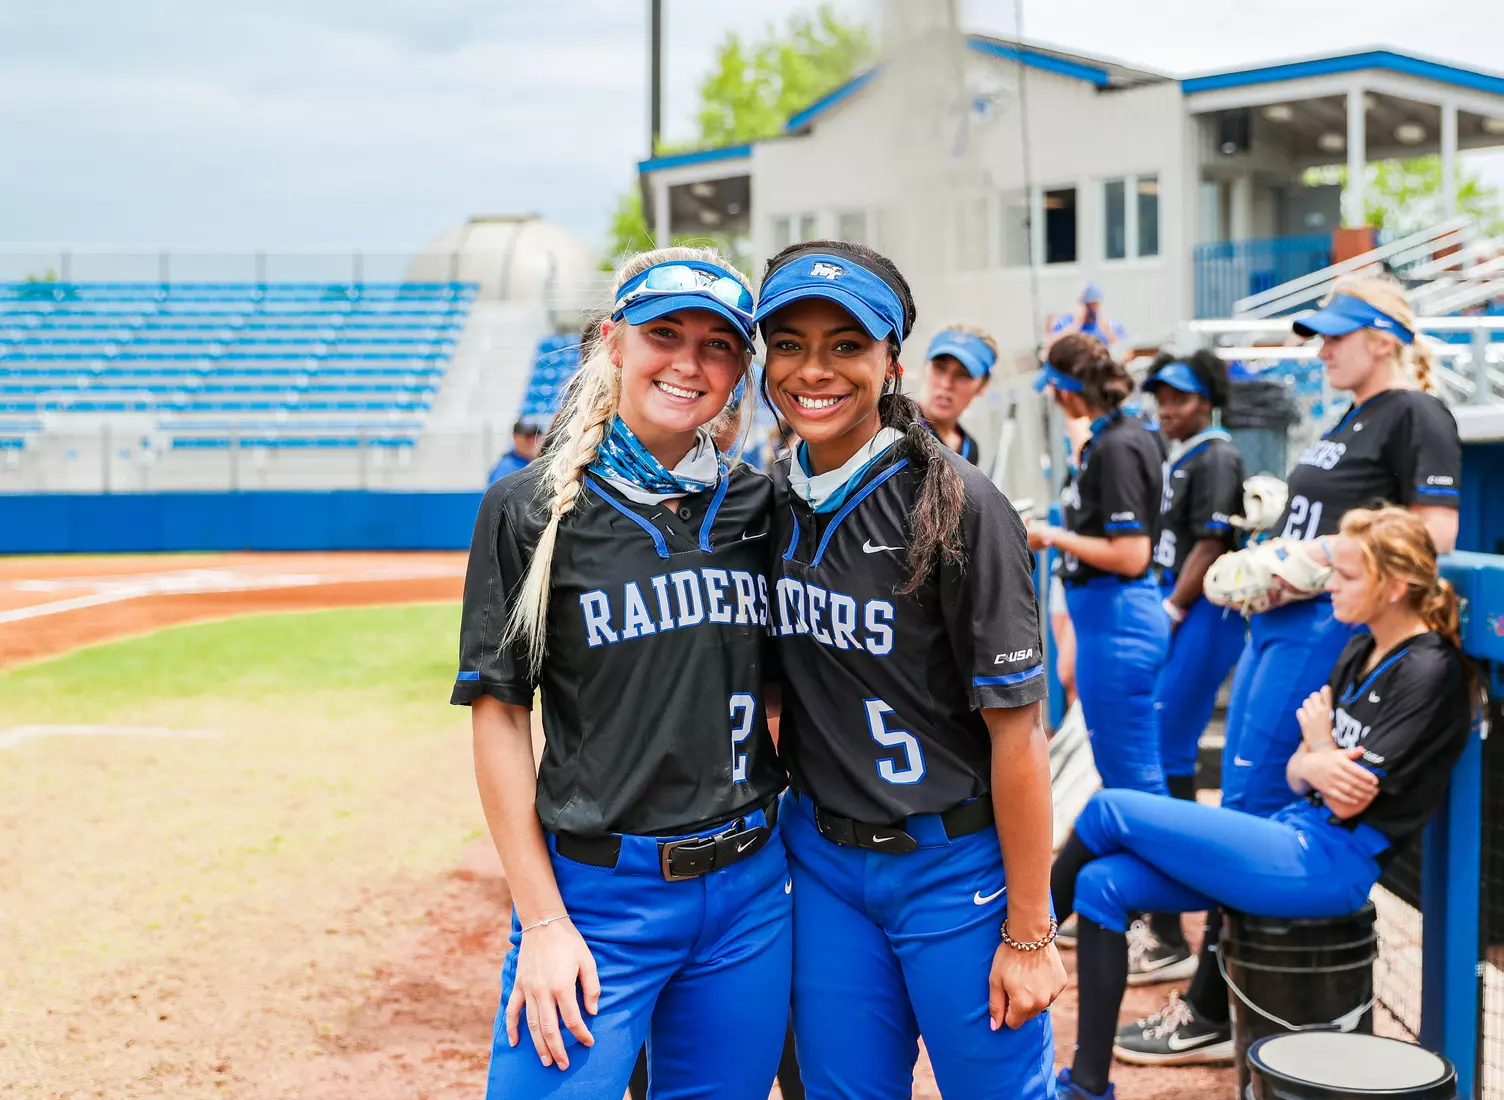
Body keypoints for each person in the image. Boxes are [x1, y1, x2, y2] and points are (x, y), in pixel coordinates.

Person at [453, 246, 791, 1100]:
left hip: (750, 893)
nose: (689, 362)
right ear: (614, 342)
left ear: (741, 368)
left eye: (719, 344)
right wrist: (543, 920)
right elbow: (498, 716)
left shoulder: (762, 508)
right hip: (600, 899)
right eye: (665, 334)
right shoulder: (529, 509)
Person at [1122, 274, 1463, 1063]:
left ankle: (1214, 1007)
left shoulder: (1414, 411)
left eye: (1340, 334)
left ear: (1384, 336)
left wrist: (1315, 561)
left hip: (1317, 629)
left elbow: (1434, 532)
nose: (1325, 350)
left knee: (1250, 809)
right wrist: (1280, 552)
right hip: (1279, 626)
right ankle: (1224, 999)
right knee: (1244, 803)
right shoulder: (1353, 415)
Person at [755, 240, 1065, 1099]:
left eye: (846, 345)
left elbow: (1021, 736)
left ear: (892, 361)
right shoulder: (770, 503)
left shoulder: (962, 504)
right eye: (789, 343)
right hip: (825, 868)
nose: (814, 369)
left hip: (952, 870)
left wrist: (1032, 931)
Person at [1050, 505, 1475, 1099]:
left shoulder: (1430, 669)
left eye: (1348, 576)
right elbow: (1301, 773)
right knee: (1101, 884)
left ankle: (1010, 942)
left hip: (1329, 864)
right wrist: (1316, 760)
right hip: (1294, 833)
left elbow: (1350, 802)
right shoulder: (1361, 647)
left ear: (1396, 586)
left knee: (1108, 810)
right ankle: (1087, 1084)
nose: (1330, 584)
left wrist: (1319, 752)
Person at [1122, 350, 1248, 983]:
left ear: (1207, 399)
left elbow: (1212, 541)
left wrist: (1171, 607)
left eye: (1180, 397)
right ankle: (1164, 919)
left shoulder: (1218, 453)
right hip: (1184, 608)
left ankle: (1171, 931)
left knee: (1168, 749)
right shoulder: (1187, 451)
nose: (1167, 408)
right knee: (1163, 749)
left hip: (1204, 612)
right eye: (1162, 398)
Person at [1028, 335, 1168, 798]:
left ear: (1065, 392)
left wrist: (1051, 536)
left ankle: (1158, 867)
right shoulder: (1115, 435)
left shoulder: (1118, 445)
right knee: (1120, 767)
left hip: (1119, 618)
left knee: (1132, 775)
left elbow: (1131, 554)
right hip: (1109, 619)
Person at [921, 325, 995, 464]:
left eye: (963, 375)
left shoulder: (968, 450)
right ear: (925, 368)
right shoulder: (894, 426)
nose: (946, 383)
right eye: (939, 367)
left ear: (983, 386)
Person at [1045, 283, 1126, 356]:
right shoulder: (1065, 323)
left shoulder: (1109, 325)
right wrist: (1075, 325)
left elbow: (1124, 351)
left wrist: (1107, 331)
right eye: (1088, 305)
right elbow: (1049, 346)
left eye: (1094, 304)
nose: (1091, 310)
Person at [488, 418, 544, 483]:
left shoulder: (540, 462)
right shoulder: (505, 469)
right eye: (528, 437)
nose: (532, 441)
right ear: (515, 437)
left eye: (536, 436)